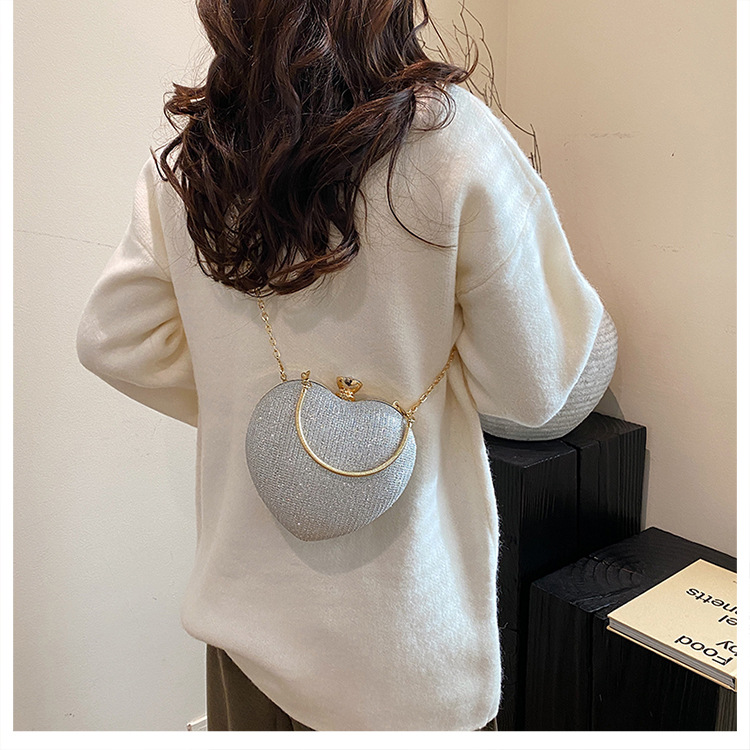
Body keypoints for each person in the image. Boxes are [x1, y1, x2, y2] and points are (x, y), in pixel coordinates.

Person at [75, 0, 616, 732]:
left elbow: (115, 338)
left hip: (247, 642)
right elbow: (536, 384)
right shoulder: (450, 139)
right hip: (407, 656)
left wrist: (245, 402)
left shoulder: (196, 158)